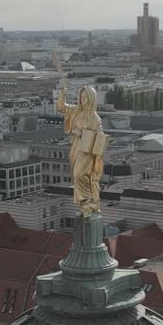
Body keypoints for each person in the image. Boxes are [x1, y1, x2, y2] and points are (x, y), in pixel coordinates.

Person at [53, 53, 107, 214]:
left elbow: (100, 139)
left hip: (87, 151)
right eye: (81, 97)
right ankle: (85, 202)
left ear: (91, 99)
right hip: (76, 148)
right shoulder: (75, 111)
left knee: (80, 174)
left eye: (86, 98)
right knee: (76, 175)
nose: (83, 100)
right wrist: (62, 90)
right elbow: (61, 107)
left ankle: (90, 200)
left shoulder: (95, 118)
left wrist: (81, 133)